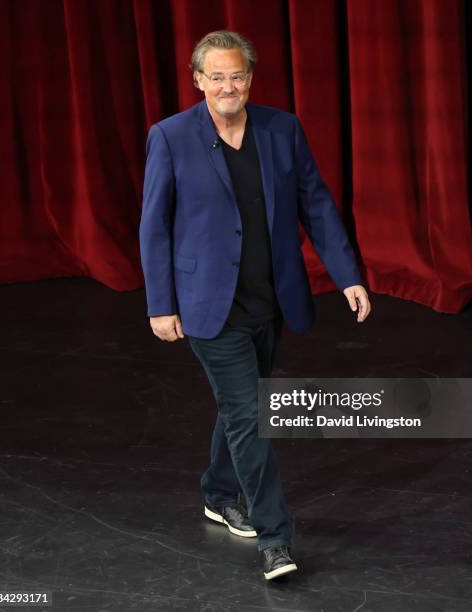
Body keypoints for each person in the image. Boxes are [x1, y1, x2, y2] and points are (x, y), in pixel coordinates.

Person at [139, 30, 371, 580]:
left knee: (242, 410)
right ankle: (275, 539)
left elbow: (315, 202)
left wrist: (347, 276)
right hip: (206, 307)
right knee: (252, 417)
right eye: (215, 76)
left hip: (269, 301)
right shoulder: (170, 137)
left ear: (250, 78)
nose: (227, 85)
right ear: (198, 80)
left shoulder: (281, 128)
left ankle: (219, 493)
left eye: (236, 75)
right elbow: (155, 226)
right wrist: (159, 304)